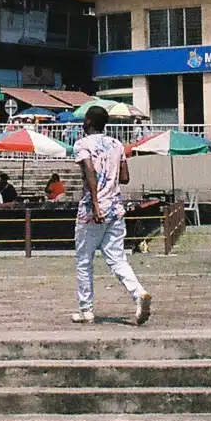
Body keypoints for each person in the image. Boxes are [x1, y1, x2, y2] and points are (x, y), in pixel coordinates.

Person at [71, 112, 151, 325]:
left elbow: (89, 170)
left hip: (92, 210)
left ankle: (86, 310)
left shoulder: (82, 144)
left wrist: (95, 203)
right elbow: (125, 177)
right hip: (116, 208)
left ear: (89, 121)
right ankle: (138, 293)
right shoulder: (117, 144)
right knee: (117, 258)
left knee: (84, 260)